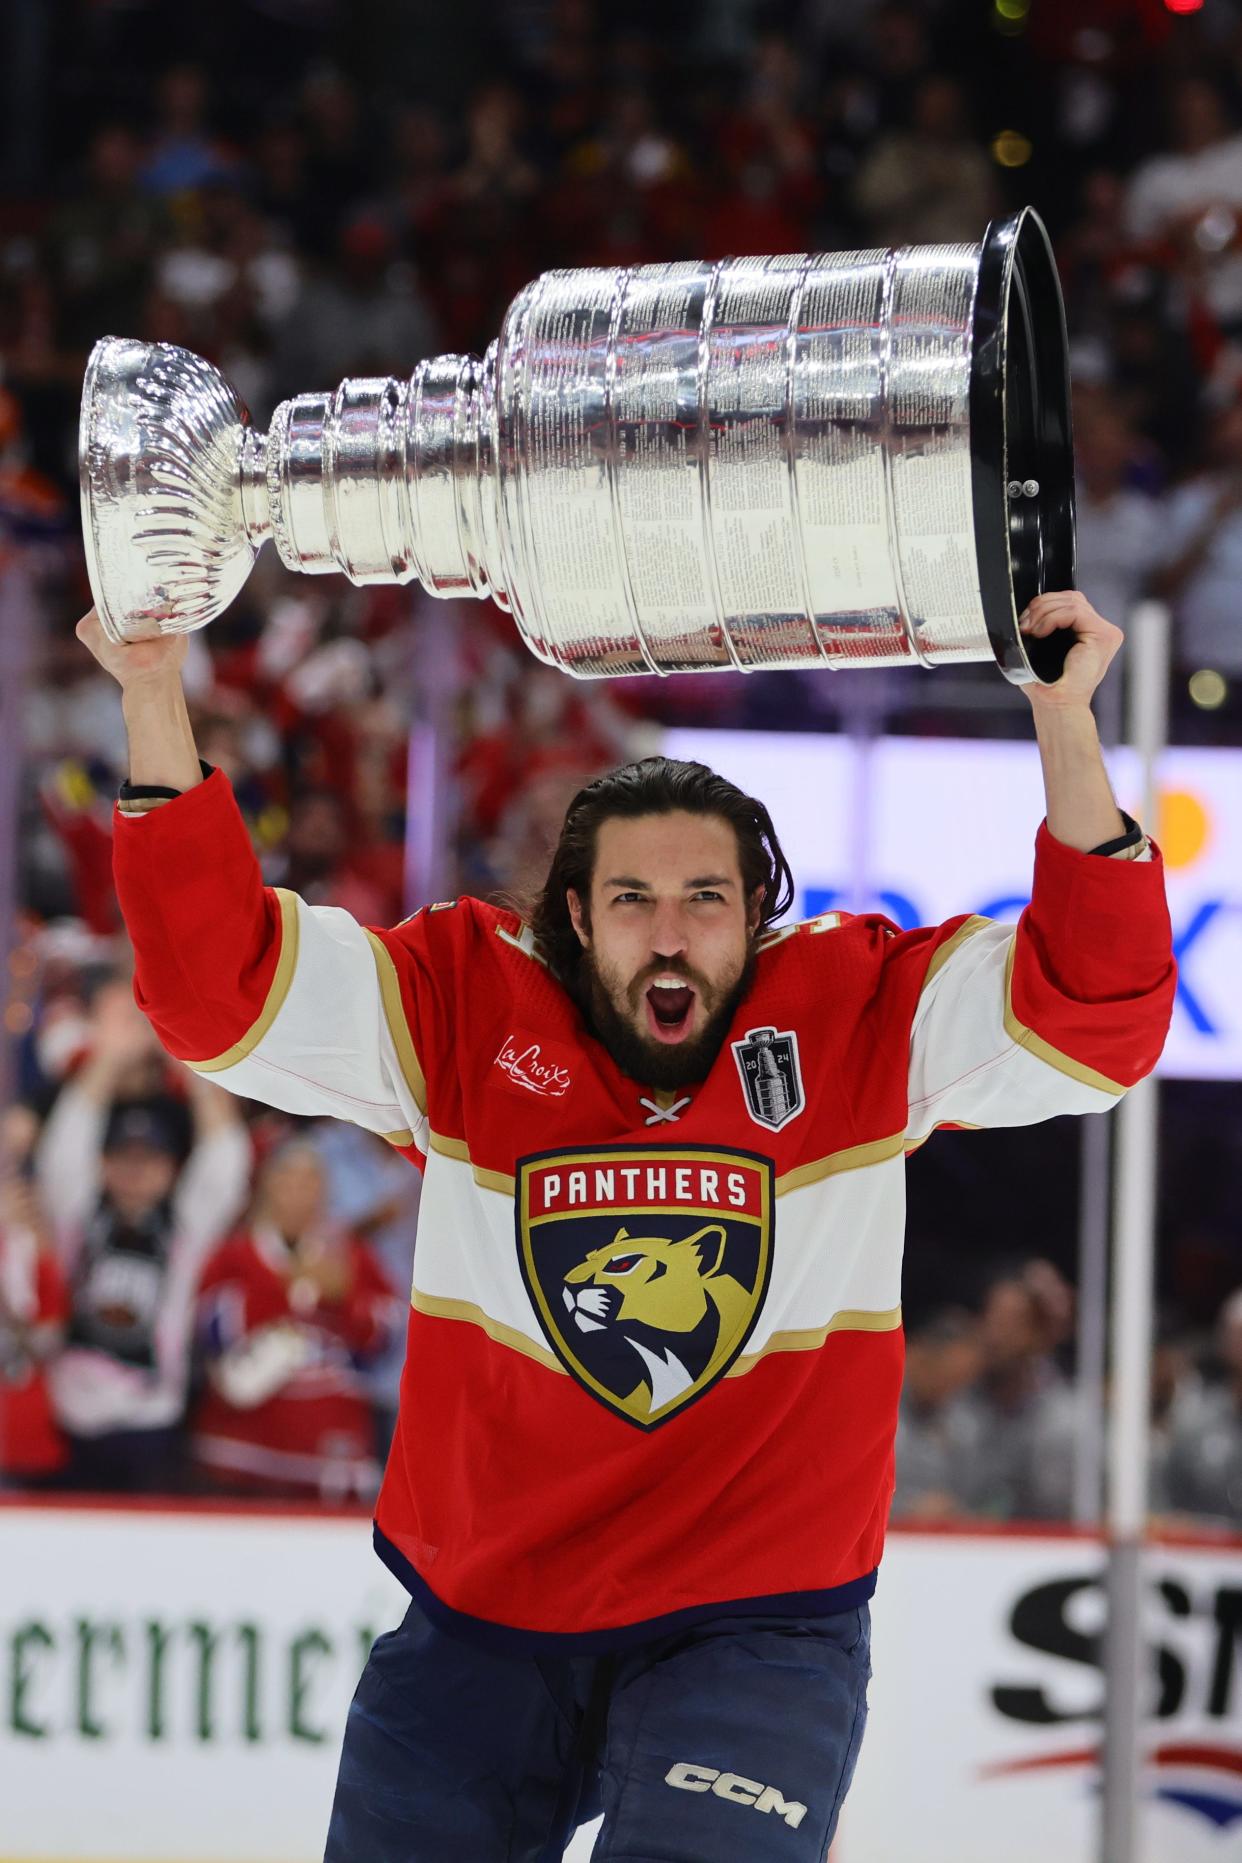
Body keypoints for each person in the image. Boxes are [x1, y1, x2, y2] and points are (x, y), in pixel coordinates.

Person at [78, 587, 1175, 1860]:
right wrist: (153, 691)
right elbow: (217, 992)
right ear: (576, 917)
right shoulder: (462, 1004)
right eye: (635, 901)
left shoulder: (859, 1010)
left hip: (756, 1624)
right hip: (483, 1615)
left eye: (706, 900)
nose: (671, 935)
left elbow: (1101, 1017)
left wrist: (1063, 721)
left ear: (754, 916)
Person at [35, 981, 252, 1491]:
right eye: (123, 1159)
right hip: (68, 1424)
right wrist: (108, 1059)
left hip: (150, 1428)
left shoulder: (184, 1230)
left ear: (172, 1170)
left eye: (149, 1160)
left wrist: (194, 1065)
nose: (136, 1172)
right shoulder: (78, 1213)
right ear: (104, 1165)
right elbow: (65, 1151)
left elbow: (226, 1163)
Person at [192, 1138, 400, 1500]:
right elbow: (210, 1329)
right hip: (241, 1453)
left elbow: (385, 1338)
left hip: (328, 1452)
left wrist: (345, 1298)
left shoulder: (352, 1257)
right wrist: (284, 1288)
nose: (298, 1192)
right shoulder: (235, 1254)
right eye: (287, 1179)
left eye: (310, 1181)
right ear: (266, 1185)